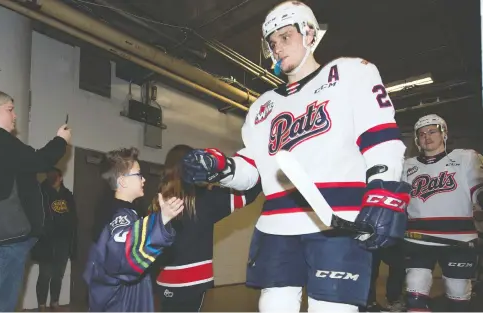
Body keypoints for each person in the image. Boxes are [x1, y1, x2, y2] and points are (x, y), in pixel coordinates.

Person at [181, 2, 411, 312]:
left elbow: (380, 137)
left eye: (285, 37)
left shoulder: (351, 72)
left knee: (330, 309)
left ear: (310, 34)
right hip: (277, 226)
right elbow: (252, 170)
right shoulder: (262, 107)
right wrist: (220, 167)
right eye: (272, 43)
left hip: (336, 220)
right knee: (272, 307)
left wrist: (383, 192)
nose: (277, 48)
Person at [0, 88, 71, 311]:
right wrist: (61, 140)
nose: (15, 116)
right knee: (0, 305)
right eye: (10, 109)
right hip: (5, 237)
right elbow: (38, 161)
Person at [150, 145, 263, 312]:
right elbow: (248, 193)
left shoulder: (157, 201)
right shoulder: (204, 199)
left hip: (163, 280)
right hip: (193, 281)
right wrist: (262, 171)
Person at [83, 147, 184, 312]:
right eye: (138, 174)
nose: (143, 179)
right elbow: (125, 257)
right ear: (123, 181)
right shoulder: (118, 216)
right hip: (122, 302)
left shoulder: (128, 211)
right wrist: (161, 220)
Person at [402, 114, 483, 312]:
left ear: (443, 133)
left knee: (458, 294)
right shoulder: (407, 165)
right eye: (421, 134)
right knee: (415, 290)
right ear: (416, 139)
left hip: (459, 238)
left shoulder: (466, 158)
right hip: (418, 238)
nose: (426, 136)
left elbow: (478, 191)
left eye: (432, 131)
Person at [32, 168, 77, 311]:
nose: (53, 179)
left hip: (63, 241)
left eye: (55, 176)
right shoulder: (42, 192)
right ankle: (41, 305)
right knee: (45, 274)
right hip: (47, 241)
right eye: (50, 176)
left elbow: (73, 218)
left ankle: (55, 302)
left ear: (61, 178)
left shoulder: (67, 195)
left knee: (58, 274)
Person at [362, 242, 406, 312]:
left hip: (394, 237)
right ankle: (369, 302)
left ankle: (394, 300)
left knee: (398, 264)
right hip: (372, 236)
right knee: (370, 267)